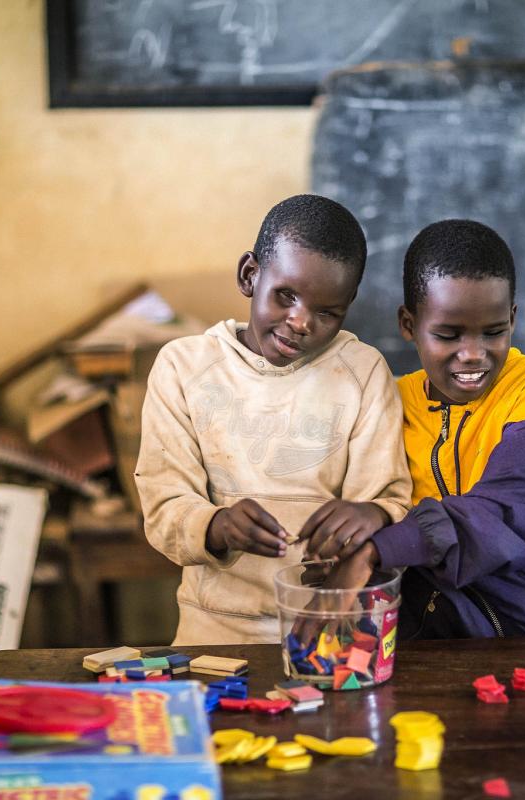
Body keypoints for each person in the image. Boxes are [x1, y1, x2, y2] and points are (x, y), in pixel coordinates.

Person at [136, 194, 411, 645]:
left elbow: (390, 499)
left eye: (327, 312)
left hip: (330, 627)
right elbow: (164, 508)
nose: (301, 322)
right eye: (286, 296)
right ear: (250, 275)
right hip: (213, 629)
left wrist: (372, 514)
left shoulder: (362, 372)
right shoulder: (184, 367)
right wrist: (217, 526)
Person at [305, 219, 525, 638]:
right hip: (421, 634)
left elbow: (512, 506)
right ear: (408, 324)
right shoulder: (387, 400)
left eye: (494, 332)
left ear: (512, 319)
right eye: (448, 335)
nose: (474, 355)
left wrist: (377, 549)